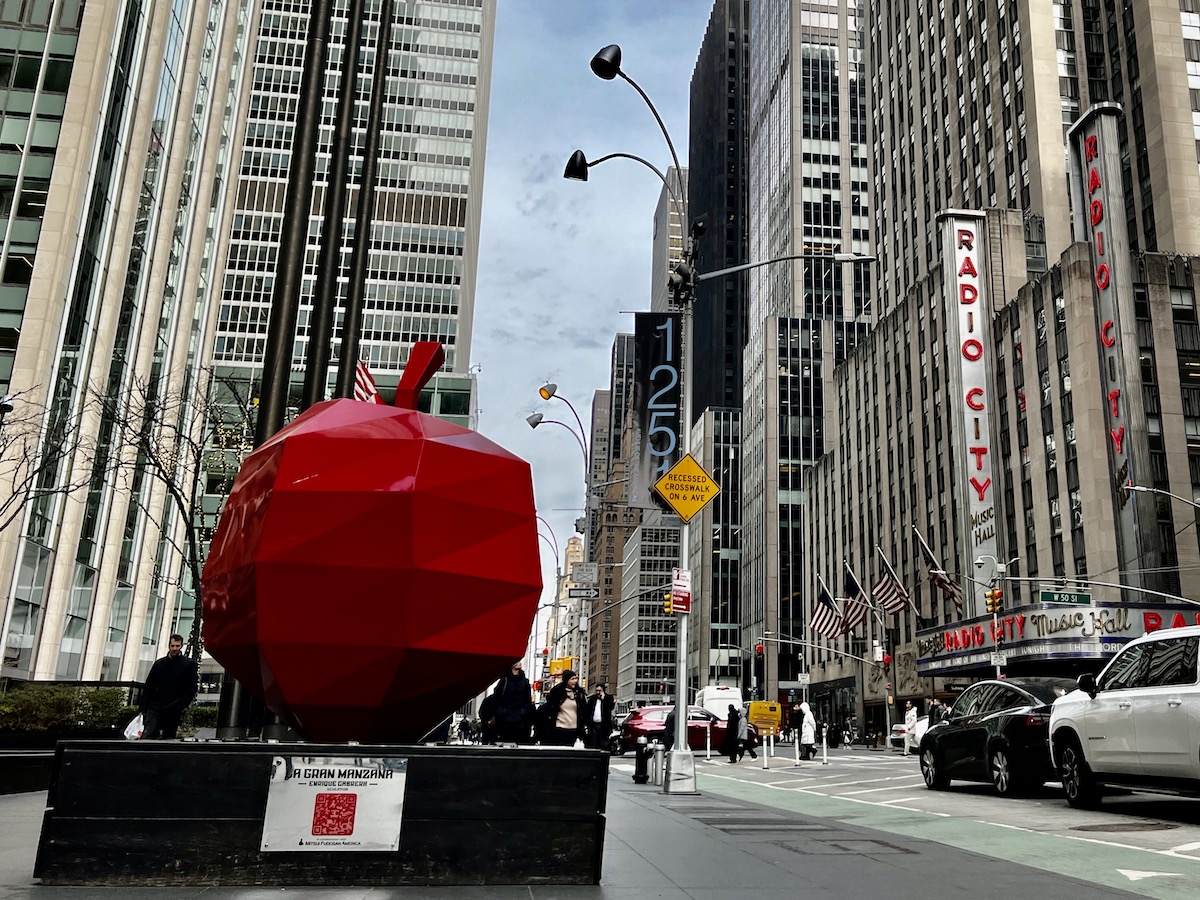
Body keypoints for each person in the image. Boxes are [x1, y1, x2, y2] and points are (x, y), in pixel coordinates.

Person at [139, 634, 198, 739]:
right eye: (172, 646)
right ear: (169, 646)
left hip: (174, 705)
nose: (174, 648)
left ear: (181, 646)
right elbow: (149, 686)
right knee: (151, 733)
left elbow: (191, 688)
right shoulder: (159, 664)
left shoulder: (188, 664)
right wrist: (144, 707)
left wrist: (181, 705)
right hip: (156, 704)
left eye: (177, 646)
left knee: (168, 736)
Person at [490, 660, 535, 744]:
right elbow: (497, 698)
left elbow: (528, 701)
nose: (519, 663)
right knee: (505, 742)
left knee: (519, 743)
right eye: (517, 661)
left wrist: (523, 712)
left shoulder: (525, 682)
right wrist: (502, 712)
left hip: (520, 721)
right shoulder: (504, 680)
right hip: (505, 720)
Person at [543, 670, 588, 746]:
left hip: (574, 729)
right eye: (572, 679)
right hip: (560, 727)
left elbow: (583, 711)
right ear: (567, 680)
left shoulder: (579, 694)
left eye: (576, 679)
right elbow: (551, 709)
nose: (575, 681)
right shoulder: (558, 693)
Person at [585, 683, 616, 750]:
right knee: (593, 743)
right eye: (597, 690)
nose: (598, 692)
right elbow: (587, 711)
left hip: (604, 725)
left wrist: (603, 699)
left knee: (603, 744)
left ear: (603, 691)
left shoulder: (608, 698)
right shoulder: (592, 699)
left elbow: (610, 708)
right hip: (593, 725)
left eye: (599, 691)